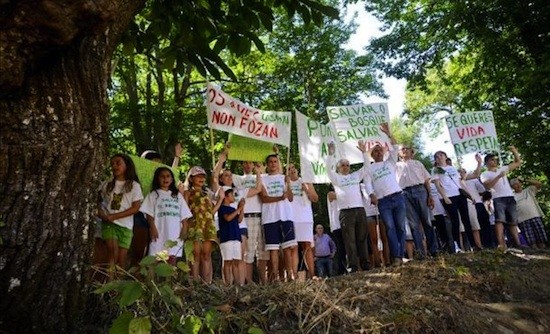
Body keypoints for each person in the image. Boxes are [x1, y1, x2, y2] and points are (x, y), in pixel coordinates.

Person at [212, 146, 264, 284]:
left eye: (230, 175)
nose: (229, 177)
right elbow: (214, 176)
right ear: (222, 178)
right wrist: (222, 159)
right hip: (224, 225)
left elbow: (258, 189)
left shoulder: (239, 191)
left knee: (240, 256)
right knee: (227, 258)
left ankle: (240, 285)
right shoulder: (219, 190)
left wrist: (258, 172)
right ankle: (228, 285)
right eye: (226, 175)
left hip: (240, 224)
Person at [326, 140, 371, 272]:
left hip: (360, 209)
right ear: (339, 168)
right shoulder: (336, 178)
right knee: (349, 241)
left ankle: (365, 264)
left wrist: (364, 153)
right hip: (346, 212)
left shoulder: (356, 176)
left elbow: (367, 168)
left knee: (362, 238)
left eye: (347, 165)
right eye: (343, 165)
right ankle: (353, 266)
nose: (345, 167)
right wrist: (331, 154)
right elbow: (328, 169)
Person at [96, 154, 143, 278]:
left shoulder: (134, 185)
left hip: (126, 227)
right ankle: (108, 285)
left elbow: (136, 208)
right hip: (109, 224)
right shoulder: (107, 184)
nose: (114, 166)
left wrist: (115, 216)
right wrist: (102, 214)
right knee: (113, 253)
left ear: (127, 165)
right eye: (112, 164)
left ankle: (117, 289)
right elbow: (97, 202)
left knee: (122, 259)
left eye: (118, 163)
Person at [366, 123, 406, 266]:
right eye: (375, 151)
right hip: (383, 202)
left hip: (398, 197)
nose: (378, 152)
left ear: (383, 153)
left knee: (401, 227)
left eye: (380, 150)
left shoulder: (390, 162)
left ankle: (399, 256)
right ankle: (397, 256)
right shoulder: (369, 169)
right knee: (390, 228)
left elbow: (395, 147)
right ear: (372, 155)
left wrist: (388, 133)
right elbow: (368, 184)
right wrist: (371, 195)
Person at [140, 167, 192, 265]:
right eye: (162, 176)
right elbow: (149, 214)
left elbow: (184, 214)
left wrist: (185, 228)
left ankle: (169, 280)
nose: (165, 179)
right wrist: (152, 228)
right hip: (159, 231)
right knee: (155, 257)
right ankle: (153, 280)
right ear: (157, 179)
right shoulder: (153, 195)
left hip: (175, 232)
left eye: (168, 176)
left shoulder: (177, 196)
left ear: (172, 179)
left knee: (172, 257)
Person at [259, 154, 298, 281]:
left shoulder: (284, 178)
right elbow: (264, 198)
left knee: (287, 247)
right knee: (273, 249)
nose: (273, 164)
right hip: (270, 217)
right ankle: (275, 276)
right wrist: (280, 197)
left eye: (275, 161)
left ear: (278, 163)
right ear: (267, 164)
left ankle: (290, 274)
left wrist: (288, 183)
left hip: (285, 215)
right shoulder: (262, 179)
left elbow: (291, 198)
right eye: (270, 161)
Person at [432, 151, 479, 252]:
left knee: (466, 219)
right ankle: (457, 246)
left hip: (459, 194)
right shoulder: (435, 170)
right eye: (437, 157)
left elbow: (459, 183)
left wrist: (469, 195)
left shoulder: (452, 168)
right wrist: (444, 197)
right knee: (455, 221)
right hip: (449, 196)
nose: (439, 157)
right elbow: (437, 185)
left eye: (441, 155)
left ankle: (473, 245)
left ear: (445, 157)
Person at [396, 144, 436, 258]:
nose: (404, 151)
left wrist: (430, 195)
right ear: (398, 153)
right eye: (402, 149)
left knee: (427, 221)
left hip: (420, 190)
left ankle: (433, 249)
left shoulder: (418, 163)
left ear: (411, 151)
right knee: (413, 224)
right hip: (404, 193)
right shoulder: (395, 166)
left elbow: (426, 181)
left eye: (406, 148)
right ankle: (420, 252)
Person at [233, 161, 270, 284]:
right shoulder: (238, 178)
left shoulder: (260, 177)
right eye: (245, 163)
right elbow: (219, 176)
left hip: (262, 216)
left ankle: (263, 282)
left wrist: (260, 171)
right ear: (241, 164)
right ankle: (248, 281)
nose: (248, 165)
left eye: (250, 163)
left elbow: (265, 189)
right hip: (247, 217)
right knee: (248, 252)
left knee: (263, 252)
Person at [480, 147, 522, 248]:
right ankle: (501, 244)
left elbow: (518, 162)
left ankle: (518, 243)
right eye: (492, 159)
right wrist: (498, 176)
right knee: (499, 221)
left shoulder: (502, 169)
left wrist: (514, 151)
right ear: (486, 163)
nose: (495, 161)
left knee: (513, 222)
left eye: (495, 159)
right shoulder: (485, 174)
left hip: (509, 197)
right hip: (498, 198)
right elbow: (488, 186)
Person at [183, 166, 219, 283]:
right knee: (195, 254)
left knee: (206, 254)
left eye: (203, 176)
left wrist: (221, 200)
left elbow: (211, 211)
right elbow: (184, 210)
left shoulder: (207, 193)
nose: (201, 178)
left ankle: (207, 283)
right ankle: (194, 283)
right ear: (191, 178)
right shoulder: (187, 193)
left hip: (208, 226)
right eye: (198, 176)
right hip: (194, 226)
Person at [288, 163, 319, 279]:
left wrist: (306, 189)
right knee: (293, 247)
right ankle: (295, 276)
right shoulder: (286, 183)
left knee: (307, 246)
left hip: (305, 218)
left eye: (293, 168)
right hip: (291, 218)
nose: (292, 170)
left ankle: (312, 274)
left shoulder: (305, 181)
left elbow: (315, 198)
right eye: (289, 169)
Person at [218, 188, 246, 285]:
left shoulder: (233, 209)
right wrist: (238, 209)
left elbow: (239, 220)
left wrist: (242, 208)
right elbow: (228, 218)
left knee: (236, 262)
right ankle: (228, 284)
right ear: (226, 197)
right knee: (227, 261)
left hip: (236, 237)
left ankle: (237, 284)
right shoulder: (222, 208)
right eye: (232, 195)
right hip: (227, 238)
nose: (234, 197)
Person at [511, 178, 547, 248]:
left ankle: (543, 251)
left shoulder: (529, 190)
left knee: (541, 238)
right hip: (522, 220)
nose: (517, 185)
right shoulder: (512, 196)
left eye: (518, 183)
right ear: (512, 187)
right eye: (514, 184)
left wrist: (525, 180)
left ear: (521, 183)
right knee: (531, 240)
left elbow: (539, 184)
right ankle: (535, 254)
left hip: (535, 215)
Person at [327, 190, 347, 275]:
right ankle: (341, 269)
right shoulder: (330, 193)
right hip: (337, 225)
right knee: (340, 248)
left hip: (344, 223)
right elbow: (344, 197)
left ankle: (345, 267)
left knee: (345, 247)